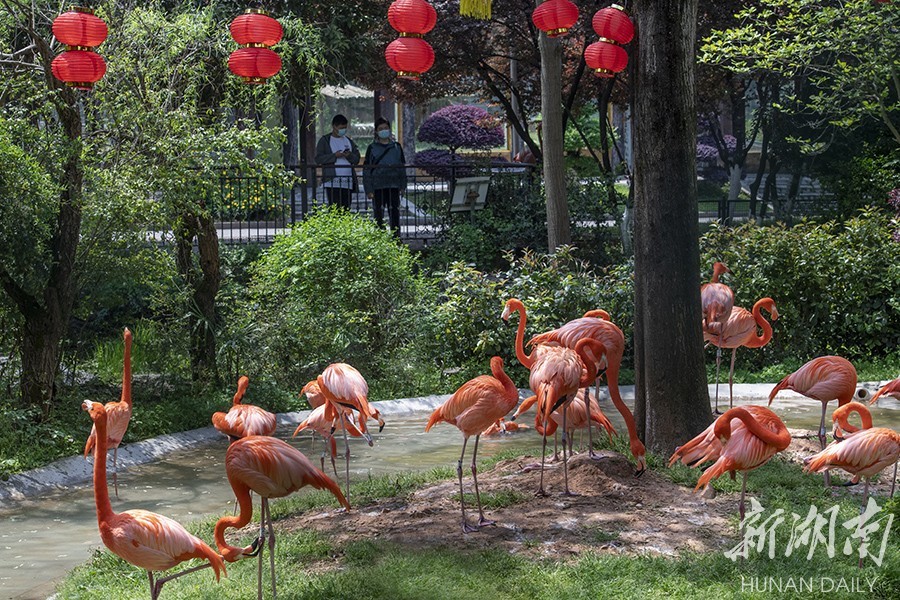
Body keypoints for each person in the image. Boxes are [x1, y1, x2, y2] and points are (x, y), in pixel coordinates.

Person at [362, 117, 407, 236]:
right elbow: (366, 169)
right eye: (381, 129)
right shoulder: (372, 148)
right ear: (376, 132)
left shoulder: (397, 147)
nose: (384, 131)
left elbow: (402, 167)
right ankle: (379, 238)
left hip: (394, 185)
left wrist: (403, 186)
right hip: (378, 186)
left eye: (386, 128)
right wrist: (369, 189)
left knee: (395, 214)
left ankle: (396, 238)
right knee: (378, 214)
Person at [315, 114, 360, 209]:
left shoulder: (348, 141)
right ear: (334, 126)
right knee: (334, 208)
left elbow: (356, 159)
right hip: (332, 181)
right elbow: (318, 159)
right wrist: (334, 156)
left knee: (346, 208)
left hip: (347, 181)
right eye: (341, 128)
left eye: (345, 128)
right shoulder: (325, 140)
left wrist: (349, 156)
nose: (343, 130)